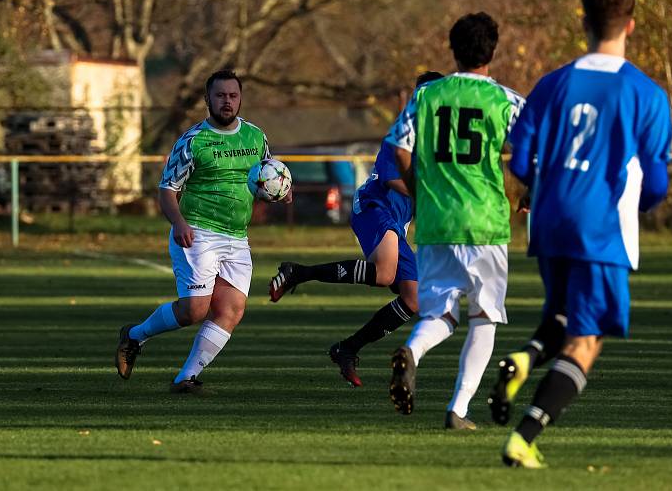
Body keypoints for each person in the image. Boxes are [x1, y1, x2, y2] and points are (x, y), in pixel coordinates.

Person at [489, 0, 672, 468]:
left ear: (584, 23)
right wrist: (631, 205)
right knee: (586, 340)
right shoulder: (647, 95)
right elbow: (656, 183)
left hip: (548, 222)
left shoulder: (551, 84)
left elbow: (521, 162)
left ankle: (525, 358)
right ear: (630, 25)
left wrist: (548, 188)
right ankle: (523, 438)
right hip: (601, 227)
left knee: (563, 317)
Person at [386, 12, 526, 430]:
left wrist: (422, 191)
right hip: (484, 221)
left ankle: (413, 350)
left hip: (435, 222)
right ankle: (459, 410)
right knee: (485, 318)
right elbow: (530, 151)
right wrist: (530, 190)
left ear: (452, 49)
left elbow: (399, 149)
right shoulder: (505, 100)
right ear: (493, 50)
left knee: (439, 314)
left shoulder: (427, 95)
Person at [268, 71, 444, 388]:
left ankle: (347, 348)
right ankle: (301, 273)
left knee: (414, 299)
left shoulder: (442, 141)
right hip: (375, 206)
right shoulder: (404, 132)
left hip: (397, 222)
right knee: (386, 274)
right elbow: (392, 179)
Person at [115, 69, 282, 393]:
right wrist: (178, 223)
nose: (227, 102)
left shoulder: (255, 137)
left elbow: (268, 176)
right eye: (220, 96)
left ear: (240, 98)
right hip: (198, 233)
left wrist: (281, 192)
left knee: (231, 310)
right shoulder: (192, 141)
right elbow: (167, 190)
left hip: (236, 236)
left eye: (233, 95)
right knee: (195, 310)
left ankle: (185, 378)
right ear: (207, 99)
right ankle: (134, 335)